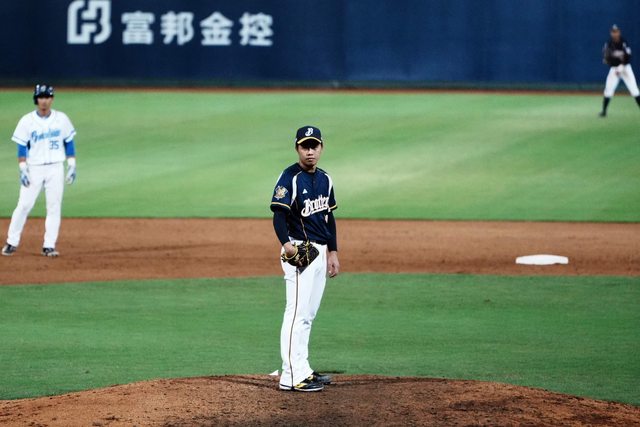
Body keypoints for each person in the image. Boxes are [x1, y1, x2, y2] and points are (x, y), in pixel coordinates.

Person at [270, 126, 340, 392]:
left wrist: (333, 251)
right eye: (305, 146)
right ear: (297, 148)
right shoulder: (290, 177)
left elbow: (328, 218)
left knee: (307, 314)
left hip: (320, 253)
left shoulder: (325, 179)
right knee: (296, 313)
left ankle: (303, 369)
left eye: (314, 146)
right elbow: (278, 216)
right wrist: (287, 246)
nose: (310, 151)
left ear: (321, 148)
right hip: (299, 251)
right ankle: (290, 376)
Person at [1, 84, 77, 257]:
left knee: (54, 206)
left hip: (55, 168)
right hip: (34, 168)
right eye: (41, 97)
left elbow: (69, 142)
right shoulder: (27, 121)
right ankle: (11, 242)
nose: (44, 101)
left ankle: (49, 245)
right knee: (24, 205)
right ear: (36, 99)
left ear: (52, 99)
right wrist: (23, 168)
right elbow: (21, 147)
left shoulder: (61, 119)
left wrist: (72, 164)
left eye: (47, 97)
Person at [599, 24, 640, 117]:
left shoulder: (623, 42)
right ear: (611, 33)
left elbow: (628, 56)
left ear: (619, 32)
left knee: (634, 89)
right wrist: (608, 61)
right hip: (614, 69)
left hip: (625, 68)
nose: (615, 33)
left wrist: (622, 66)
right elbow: (606, 56)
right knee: (608, 89)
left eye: (616, 31)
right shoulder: (608, 44)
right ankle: (604, 112)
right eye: (613, 32)